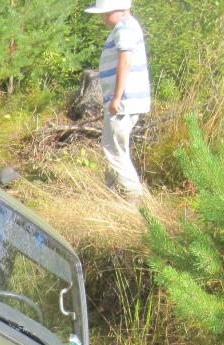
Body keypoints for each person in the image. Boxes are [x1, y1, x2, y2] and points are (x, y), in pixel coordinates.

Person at [84, 0, 151, 198]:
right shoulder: (124, 27)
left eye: (107, 13)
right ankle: (112, 194)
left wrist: (116, 98)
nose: (103, 18)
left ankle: (133, 196)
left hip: (124, 102)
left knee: (113, 150)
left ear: (123, 10)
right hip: (124, 102)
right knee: (113, 148)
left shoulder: (125, 27)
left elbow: (125, 61)